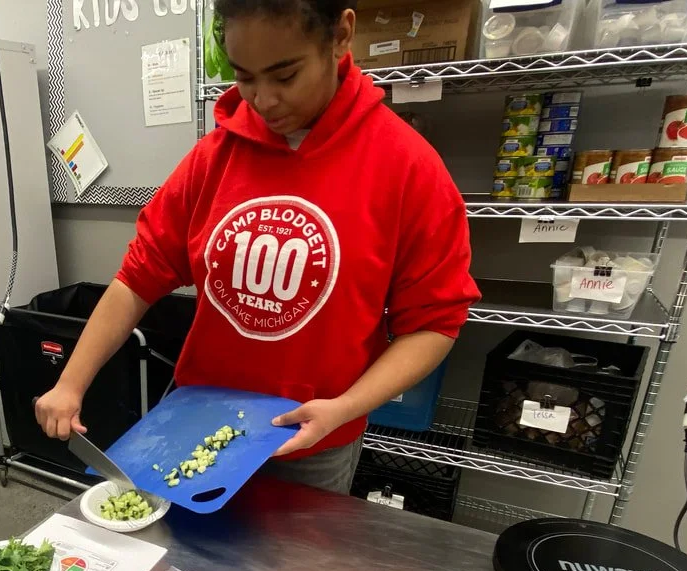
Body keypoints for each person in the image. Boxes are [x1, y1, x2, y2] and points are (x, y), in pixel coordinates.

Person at [35, 0, 480, 494]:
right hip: (195, 421)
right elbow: (136, 279)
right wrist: (70, 383)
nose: (263, 100)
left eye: (285, 75)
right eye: (245, 77)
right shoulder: (213, 159)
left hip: (310, 443)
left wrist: (345, 407)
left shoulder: (406, 167)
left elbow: (433, 325)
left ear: (340, 36)